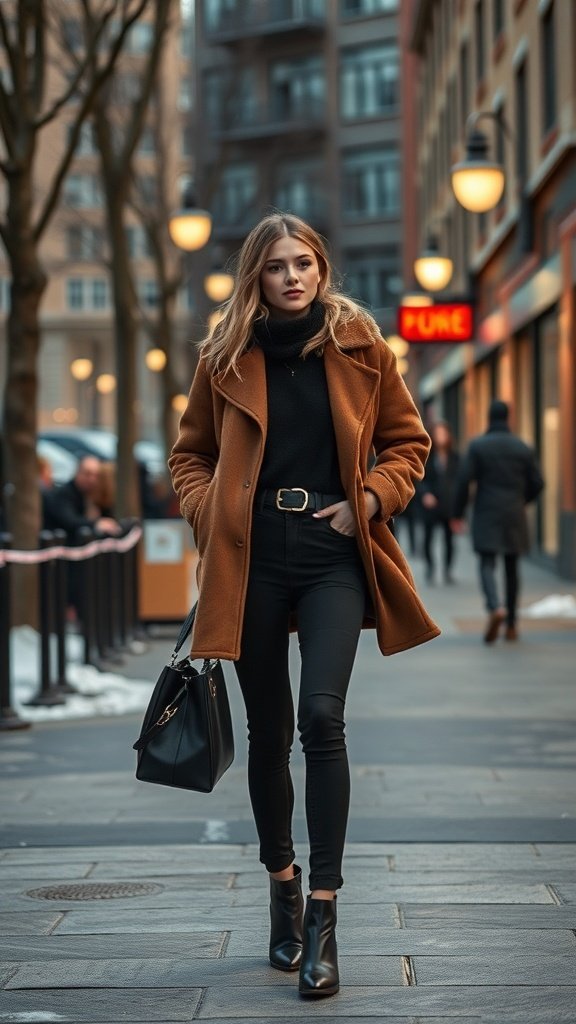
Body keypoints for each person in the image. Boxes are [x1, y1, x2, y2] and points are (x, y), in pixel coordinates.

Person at [169, 213, 440, 999]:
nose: (293, 277)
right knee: (269, 731)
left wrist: (372, 498)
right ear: (256, 277)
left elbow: (408, 443)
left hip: (331, 554)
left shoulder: (360, 347)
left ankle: (324, 914)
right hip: (250, 558)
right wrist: (208, 510)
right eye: (277, 266)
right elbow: (191, 456)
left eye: (305, 263)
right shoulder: (223, 358)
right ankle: (281, 884)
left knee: (323, 717)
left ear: (322, 270)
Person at [451, 399, 544, 643]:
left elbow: (463, 480)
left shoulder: (478, 446)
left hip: (486, 511)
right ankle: (512, 624)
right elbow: (538, 483)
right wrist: (522, 500)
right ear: (508, 418)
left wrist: (457, 514)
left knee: (487, 562)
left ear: (489, 419)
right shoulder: (522, 448)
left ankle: (495, 607)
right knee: (512, 568)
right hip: (514, 512)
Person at [43, 455, 121, 541]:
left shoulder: (95, 493)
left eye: (96, 475)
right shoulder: (63, 494)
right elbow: (70, 521)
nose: (92, 479)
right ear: (77, 473)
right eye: (87, 474)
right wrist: (96, 524)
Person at [421, 421, 461, 584]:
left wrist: (460, 510)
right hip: (431, 504)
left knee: (449, 539)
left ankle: (447, 570)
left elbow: (460, 482)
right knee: (428, 538)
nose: (440, 437)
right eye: (437, 433)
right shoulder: (426, 456)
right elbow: (419, 479)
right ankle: (430, 567)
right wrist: (426, 494)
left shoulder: (455, 457)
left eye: (443, 433)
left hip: (449, 505)